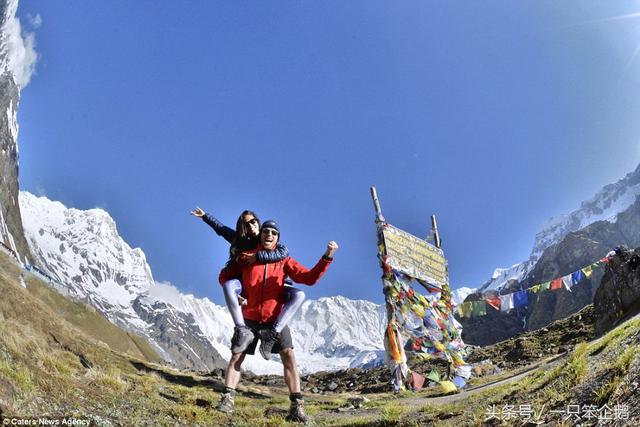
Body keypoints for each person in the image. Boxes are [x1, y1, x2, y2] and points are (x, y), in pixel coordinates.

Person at [216, 220, 338, 422]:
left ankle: (297, 408)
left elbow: (308, 278)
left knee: (289, 356)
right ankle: (227, 399)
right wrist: (236, 294)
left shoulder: (284, 261)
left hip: (274, 320)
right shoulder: (247, 257)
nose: (269, 235)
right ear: (261, 235)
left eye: (273, 232)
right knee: (237, 357)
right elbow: (224, 276)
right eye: (266, 231)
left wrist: (327, 257)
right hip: (249, 317)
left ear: (277, 238)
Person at [191, 207, 306, 357]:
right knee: (230, 286)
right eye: (246, 223)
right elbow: (221, 229)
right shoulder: (239, 240)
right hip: (245, 280)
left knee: (298, 295)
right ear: (242, 227)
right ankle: (241, 329)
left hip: (272, 283)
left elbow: (283, 252)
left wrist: (258, 258)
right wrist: (205, 216)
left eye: (253, 221)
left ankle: (272, 333)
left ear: (258, 223)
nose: (251, 225)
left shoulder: (267, 237)